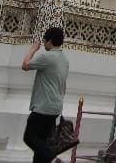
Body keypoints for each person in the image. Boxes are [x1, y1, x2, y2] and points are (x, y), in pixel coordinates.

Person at [22, 26, 70, 163]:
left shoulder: (47, 56)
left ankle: (53, 159)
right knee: (41, 143)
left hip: (44, 106)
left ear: (49, 41)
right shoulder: (64, 59)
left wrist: (33, 49)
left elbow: (25, 65)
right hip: (55, 107)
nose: (43, 43)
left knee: (29, 137)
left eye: (44, 40)